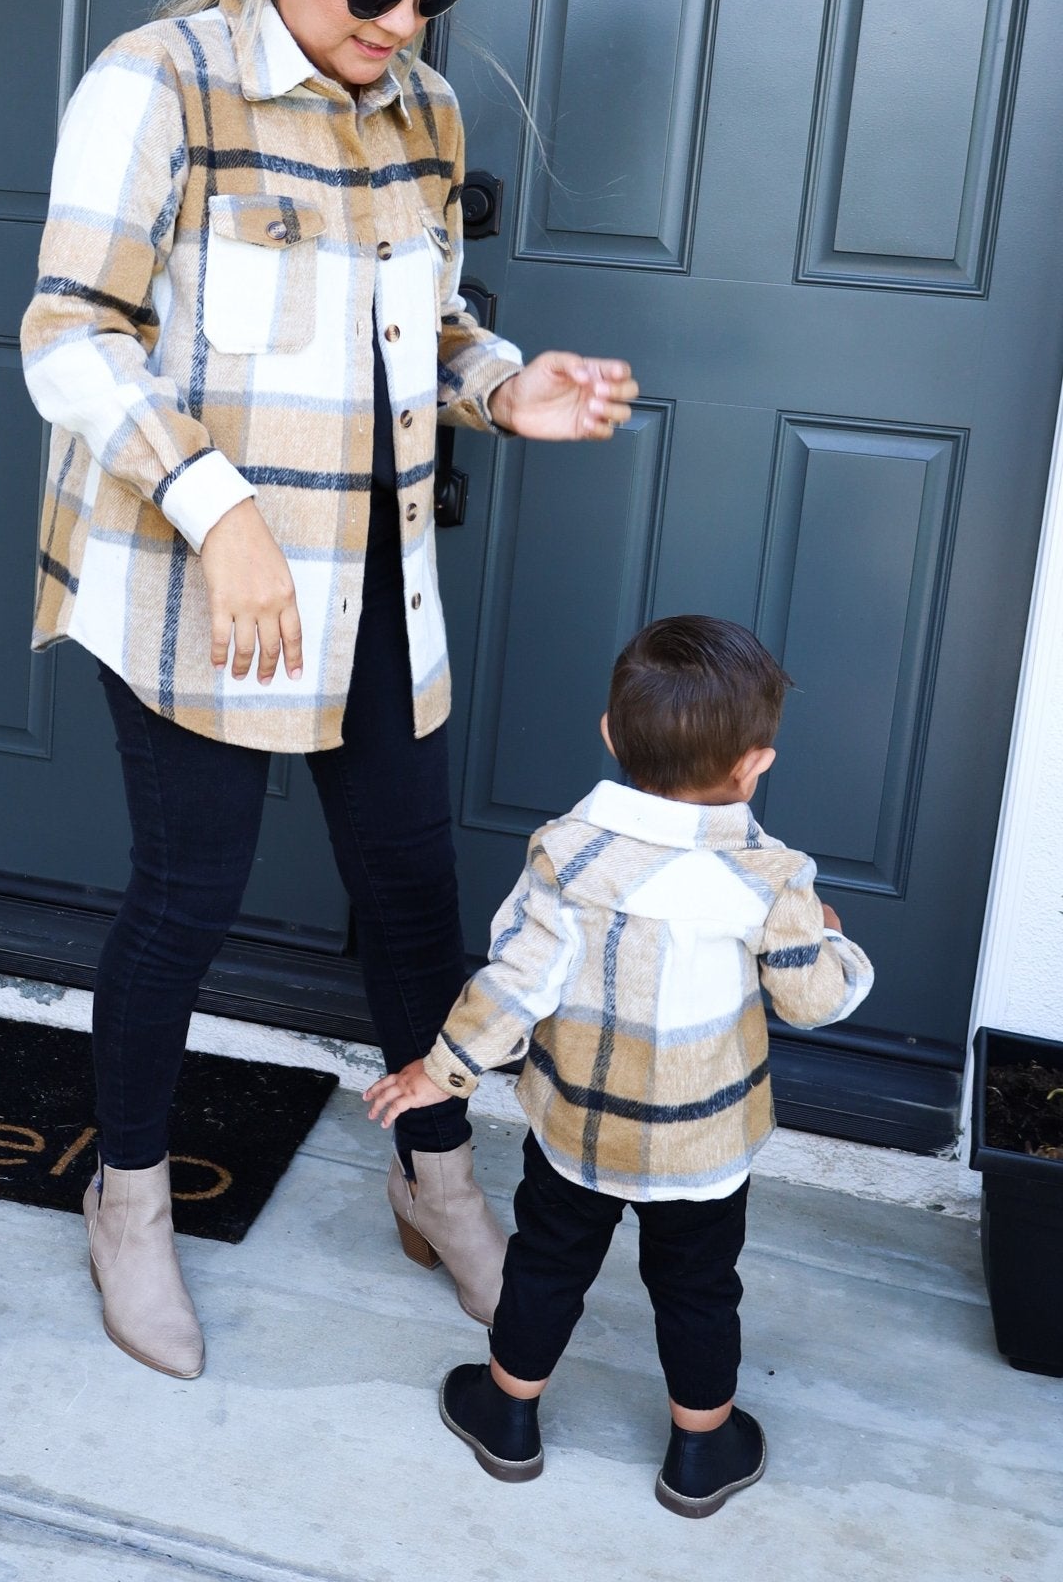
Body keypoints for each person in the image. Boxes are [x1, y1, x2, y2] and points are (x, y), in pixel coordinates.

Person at [19, 0, 638, 1381]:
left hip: (372, 576)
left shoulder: (419, 111)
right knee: (185, 898)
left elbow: (419, 330)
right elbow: (70, 340)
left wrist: (504, 383)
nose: (406, 16)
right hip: (199, 577)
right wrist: (218, 508)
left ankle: (434, 1179)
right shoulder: (158, 87)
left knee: (411, 895)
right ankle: (132, 1199)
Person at [364, 614, 874, 1515]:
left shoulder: (570, 857)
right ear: (756, 763)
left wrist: (438, 1071)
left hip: (579, 1133)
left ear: (609, 735)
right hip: (705, 1149)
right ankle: (700, 1450)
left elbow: (515, 985)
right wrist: (838, 943)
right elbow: (812, 999)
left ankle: (508, 1417)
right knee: (701, 1291)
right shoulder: (774, 879)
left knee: (546, 1267)